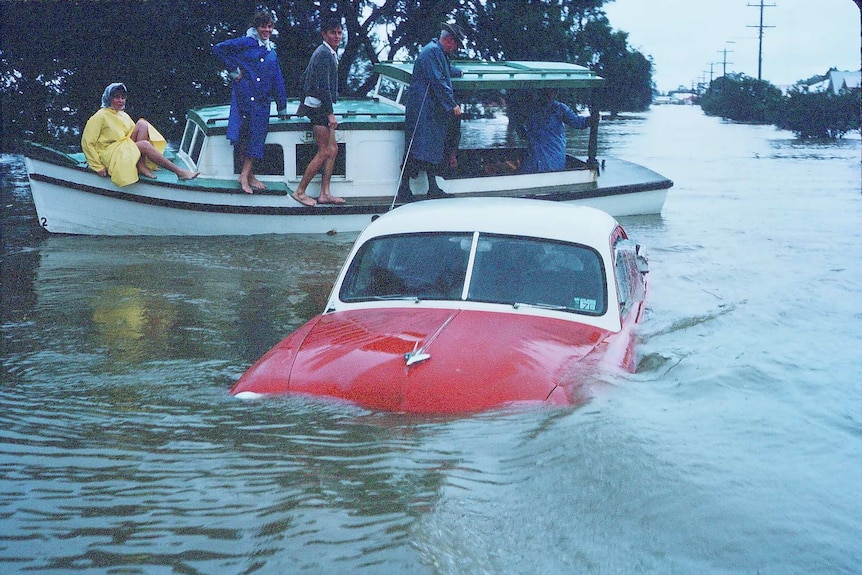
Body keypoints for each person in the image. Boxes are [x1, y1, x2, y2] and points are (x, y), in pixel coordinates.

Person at [213, 8, 288, 194]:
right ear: (256, 27)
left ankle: (247, 174)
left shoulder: (272, 51)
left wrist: (282, 106)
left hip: (262, 100)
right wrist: (233, 71)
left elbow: (277, 78)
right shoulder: (246, 42)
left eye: (270, 27)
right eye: (264, 26)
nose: (267, 30)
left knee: (257, 136)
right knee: (243, 134)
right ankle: (245, 176)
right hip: (244, 96)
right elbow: (218, 49)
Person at [395, 22, 466, 203]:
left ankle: (432, 187)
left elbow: (446, 72)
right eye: (456, 44)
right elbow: (438, 80)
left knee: (432, 149)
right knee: (416, 149)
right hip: (422, 110)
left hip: (432, 111)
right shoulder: (431, 51)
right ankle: (404, 189)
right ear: (449, 41)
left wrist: (461, 72)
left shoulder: (438, 52)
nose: (456, 48)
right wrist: (452, 104)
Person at [81, 83, 199, 187]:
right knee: (144, 145)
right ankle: (179, 172)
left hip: (121, 148)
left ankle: (140, 164)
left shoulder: (123, 115)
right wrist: (97, 166)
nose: (120, 101)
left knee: (142, 124)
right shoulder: (100, 116)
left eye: (123, 98)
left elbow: (134, 132)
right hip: (108, 154)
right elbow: (87, 143)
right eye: (116, 97)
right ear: (109, 98)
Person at [292, 14, 345, 206]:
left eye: (340, 33)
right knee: (324, 150)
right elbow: (324, 86)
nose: (337, 36)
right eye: (333, 33)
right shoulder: (323, 53)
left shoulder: (328, 52)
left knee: (333, 150)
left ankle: (324, 193)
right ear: (324, 34)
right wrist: (329, 113)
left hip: (319, 106)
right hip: (318, 108)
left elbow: (305, 78)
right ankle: (300, 191)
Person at [516, 88, 591, 174]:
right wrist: (525, 135)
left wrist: (591, 120)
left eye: (552, 91)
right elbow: (517, 122)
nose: (549, 94)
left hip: (553, 154)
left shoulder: (559, 108)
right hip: (535, 154)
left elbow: (578, 122)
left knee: (550, 171)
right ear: (539, 92)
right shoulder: (529, 108)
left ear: (555, 93)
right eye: (545, 91)